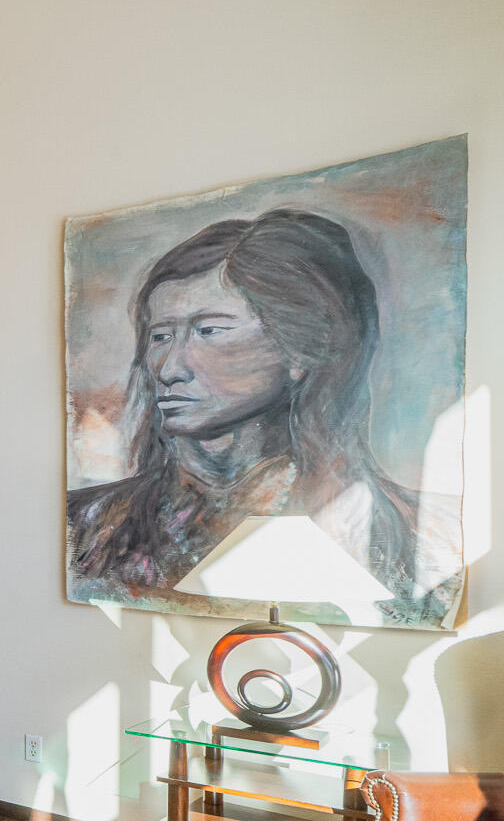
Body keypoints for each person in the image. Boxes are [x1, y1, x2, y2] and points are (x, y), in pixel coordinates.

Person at [67, 207, 448, 623]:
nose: (169, 368)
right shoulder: (85, 522)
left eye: (209, 330)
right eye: (160, 336)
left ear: (300, 349)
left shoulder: (415, 532)